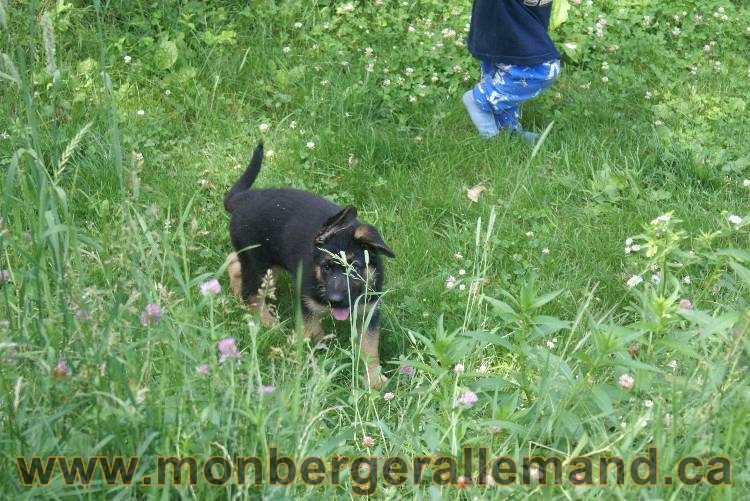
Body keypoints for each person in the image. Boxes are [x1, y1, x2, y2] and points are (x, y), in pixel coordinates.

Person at [463, 0, 561, 142]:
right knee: (543, 68)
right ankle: (481, 99)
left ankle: (508, 131)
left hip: (517, 14)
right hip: (505, 15)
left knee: (507, 66)